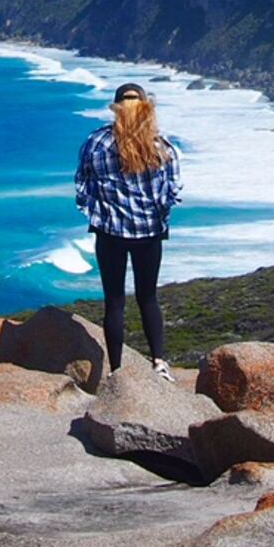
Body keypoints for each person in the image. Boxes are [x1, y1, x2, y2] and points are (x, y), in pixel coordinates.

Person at [75, 81, 183, 380]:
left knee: (114, 301)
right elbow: (172, 190)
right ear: (146, 107)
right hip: (149, 232)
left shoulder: (97, 142)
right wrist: (155, 214)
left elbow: (82, 184)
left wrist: (97, 211)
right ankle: (159, 362)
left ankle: (117, 370)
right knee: (148, 297)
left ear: (116, 108)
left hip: (109, 233)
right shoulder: (161, 146)